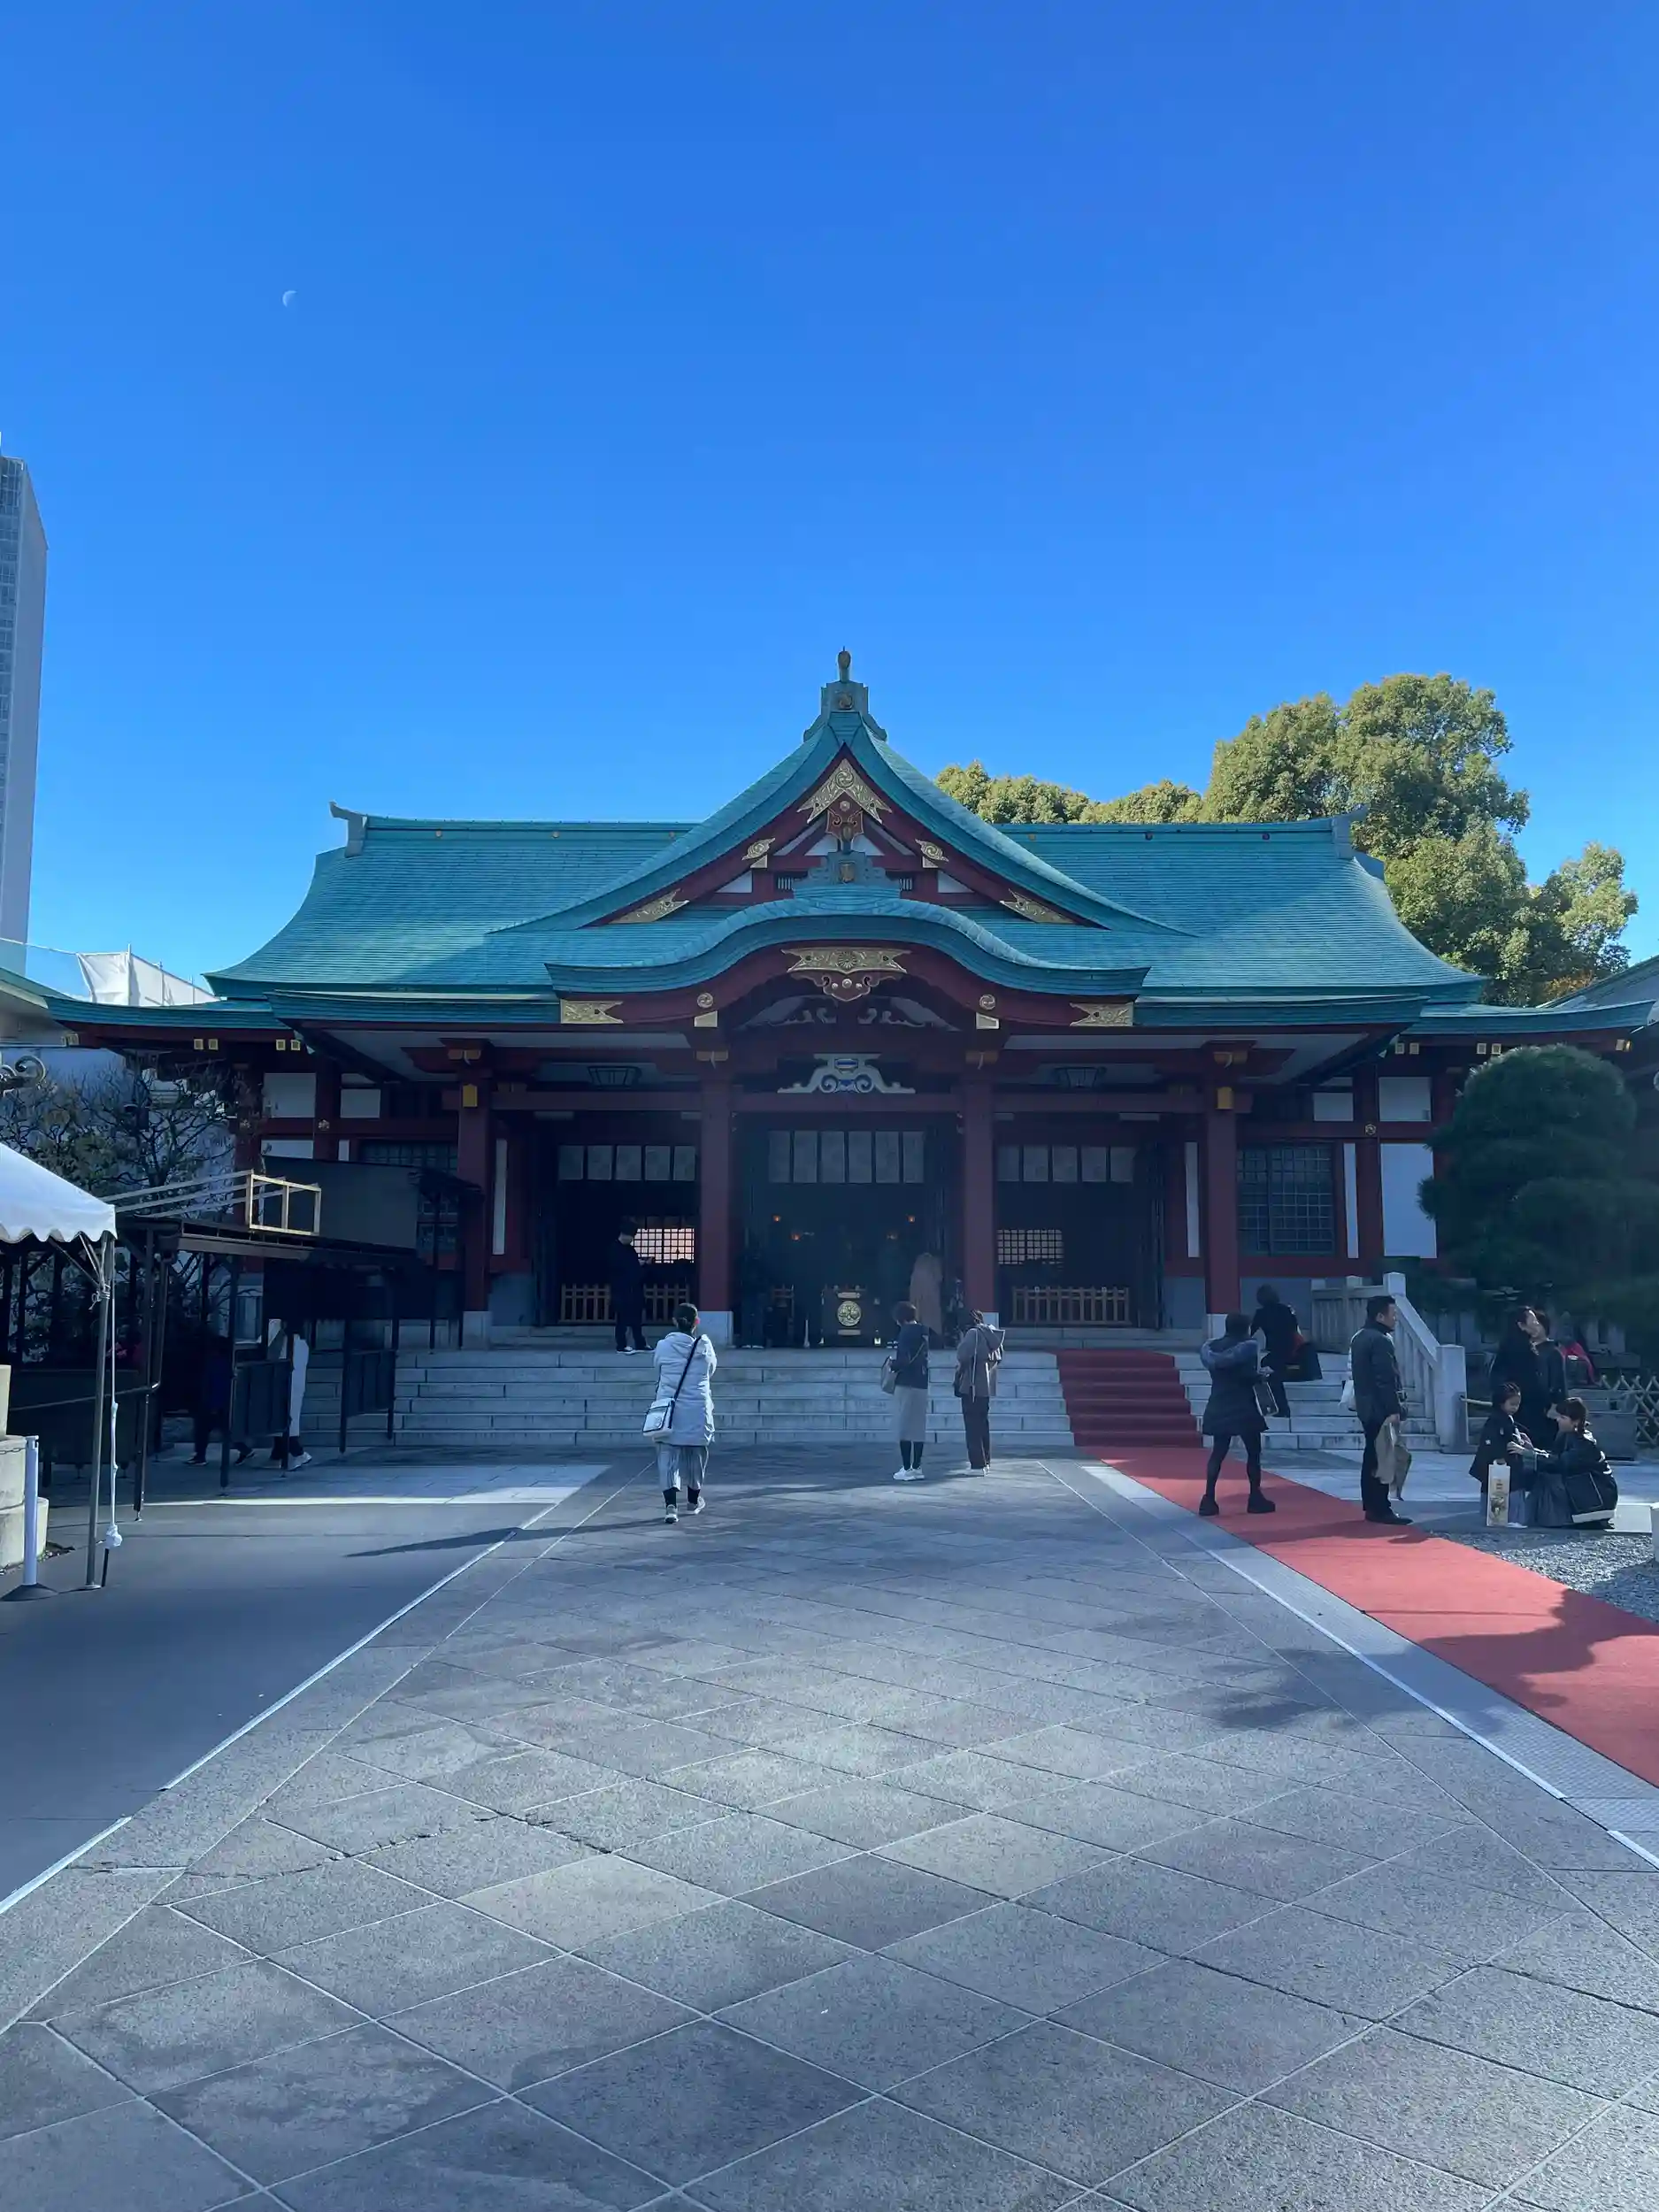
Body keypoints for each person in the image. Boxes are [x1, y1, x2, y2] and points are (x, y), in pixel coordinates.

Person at [1198, 1313, 1275, 1517]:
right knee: (1253, 1452)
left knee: (1218, 1452)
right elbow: (1246, 1376)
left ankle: (1208, 1498)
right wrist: (1262, 1375)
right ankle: (1255, 1497)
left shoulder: (1210, 1348)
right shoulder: (1248, 1348)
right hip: (1242, 1405)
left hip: (1218, 1402)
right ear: (1245, 1327)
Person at [649, 1302, 717, 1524]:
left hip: (670, 1408)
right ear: (696, 1322)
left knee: (667, 1454)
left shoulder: (663, 1346)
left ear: (674, 1322)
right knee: (697, 1453)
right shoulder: (704, 1346)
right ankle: (693, 1501)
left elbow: (658, 1368)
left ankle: (670, 1506)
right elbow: (711, 1370)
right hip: (697, 1408)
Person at [1349, 1293, 1411, 1525]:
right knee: (1382, 1458)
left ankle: (1372, 1505)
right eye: (1393, 1314)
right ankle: (1381, 1507)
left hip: (1366, 1405)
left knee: (1372, 1456)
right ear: (1380, 1316)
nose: (1395, 1319)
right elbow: (1385, 1379)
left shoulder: (1360, 1337)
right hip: (1379, 1408)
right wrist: (1393, 1409)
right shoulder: (1381, 1340)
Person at [1527, 1397, 1618, 1529]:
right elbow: (1554, 1457)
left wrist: (1530, 1454)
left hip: (1598, 1495)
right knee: (1543, 1475)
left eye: (1563, 1417)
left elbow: (1560, 1463)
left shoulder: (1584, 1442)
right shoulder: (1567, 1435)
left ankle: (1556, 1519)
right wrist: (1531, 1450)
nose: (1558, 1420)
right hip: (1583, 1487)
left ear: (1576, 1421)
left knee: (1550, 1479)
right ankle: (1539, 1519)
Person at [954, 1310, 1004, 1471]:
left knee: (972, 1426)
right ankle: (986, 1461)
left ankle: (977, 1464)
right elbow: (999, 1356)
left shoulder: (973, 1334)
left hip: (972, 1385)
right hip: (985, 1386)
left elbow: (962, 1355)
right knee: (983, 1425)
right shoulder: (991, 1334)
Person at [888, 1300, 931, 1481]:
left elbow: (904, 1360)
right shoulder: (924, 1331)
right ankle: (917, 1467)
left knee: (904, 1426)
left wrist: (893, 1365)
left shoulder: (905, 1333)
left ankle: (907, 1468)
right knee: (918, 1426)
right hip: (922, 1382)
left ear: (900, 1318)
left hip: (906, 1382)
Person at [1469, 1379, 1528, 1494]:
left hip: (1509, 1467)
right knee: (1497, 1497)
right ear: (1501, 1402)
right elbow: (1490, 1441)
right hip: (1498, 1467)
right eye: (1512, 1404)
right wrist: (1499, 1456)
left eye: (1517, 1405)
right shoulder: (1495, 1421)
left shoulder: (1508, 1419)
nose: (1515, 1408)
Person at [1250, 1285, 1298, 1418]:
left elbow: (1251, 1331)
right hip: (1289, 1348)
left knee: (1273, 1376)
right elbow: (1294, 1327)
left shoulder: (1261, 1313)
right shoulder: (1286, 1310)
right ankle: (1279, 1407)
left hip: (1276, 1349)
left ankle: (1282, 1408)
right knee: (1272, 1372)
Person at [610, 1222, 646, 1354]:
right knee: (622, 1318)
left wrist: (638, 1264)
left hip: (634, 1287)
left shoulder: (630, 1250)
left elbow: (632, 1265)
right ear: (624, 1234)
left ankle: (640, 1343)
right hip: (621, 1288)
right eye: (631, 1236)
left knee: (637, 1318)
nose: (632, 1239)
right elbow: (618, 1267)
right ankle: (621, 1345)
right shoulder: (614, 1249)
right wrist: (636, 1265)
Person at [909, 1249, 945, 1340]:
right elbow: (939, 1278)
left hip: (919, 1300)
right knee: (932, 1321)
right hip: (932, 1298)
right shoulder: (934, 1263)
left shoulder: (917, 1266)